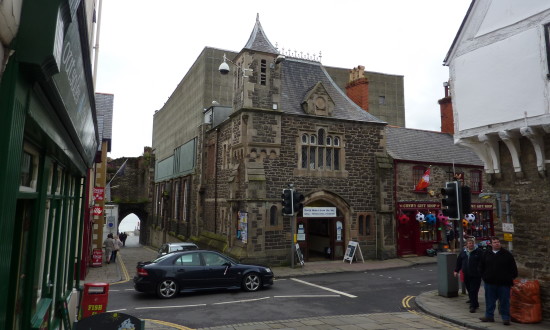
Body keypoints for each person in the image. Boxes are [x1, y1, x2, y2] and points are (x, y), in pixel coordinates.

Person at [478, 236, 518, 326]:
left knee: (504, 301)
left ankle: (506, 318)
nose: (497, 243)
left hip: (504, 283)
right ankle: (489, 316)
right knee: (489, 301)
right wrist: (484, 277)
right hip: (490, 282)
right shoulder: (486, 254)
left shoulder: (507, 254)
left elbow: (513, 269)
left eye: (498, 242)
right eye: (495, 242)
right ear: (491, 244)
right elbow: (481, 267)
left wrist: (510, 278)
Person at [454, 238, 483, 313]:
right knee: (469, 289)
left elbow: (483, 262)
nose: (471, 245)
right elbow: (459, 262)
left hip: (476, 274)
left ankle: (473, 306)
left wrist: (481, 270)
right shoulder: (463, 252)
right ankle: (475, 302)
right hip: (466, 274)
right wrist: (456, 271)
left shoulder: (479, 251)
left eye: (472, 243)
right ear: (466, 244)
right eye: (469, 243)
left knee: (474, 290)